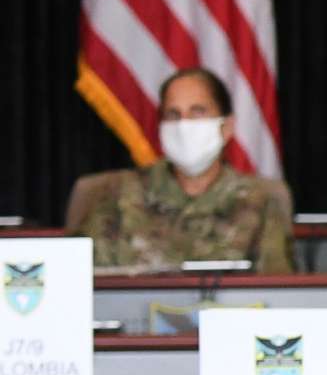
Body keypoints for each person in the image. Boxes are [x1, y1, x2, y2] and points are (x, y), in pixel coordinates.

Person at [68, 68, 293, 272]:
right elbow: (88, 287)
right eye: (173, 115)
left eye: (197, 112)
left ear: (226, 127)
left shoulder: (260, 201)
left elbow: (275, 293)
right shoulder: (115, 195)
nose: (184, 125)